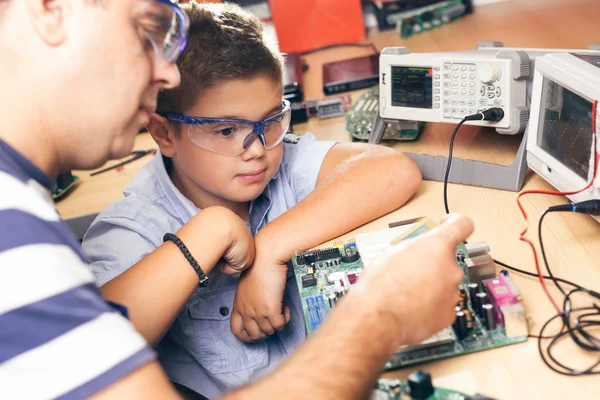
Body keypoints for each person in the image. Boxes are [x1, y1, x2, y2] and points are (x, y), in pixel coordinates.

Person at [0, 0, 474, 399]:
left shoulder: (23, 216)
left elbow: (390, 170)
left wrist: (267, 244)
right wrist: (382, 319)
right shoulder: (18, 238)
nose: (165, 72)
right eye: (147, 28)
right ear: (50, 10)